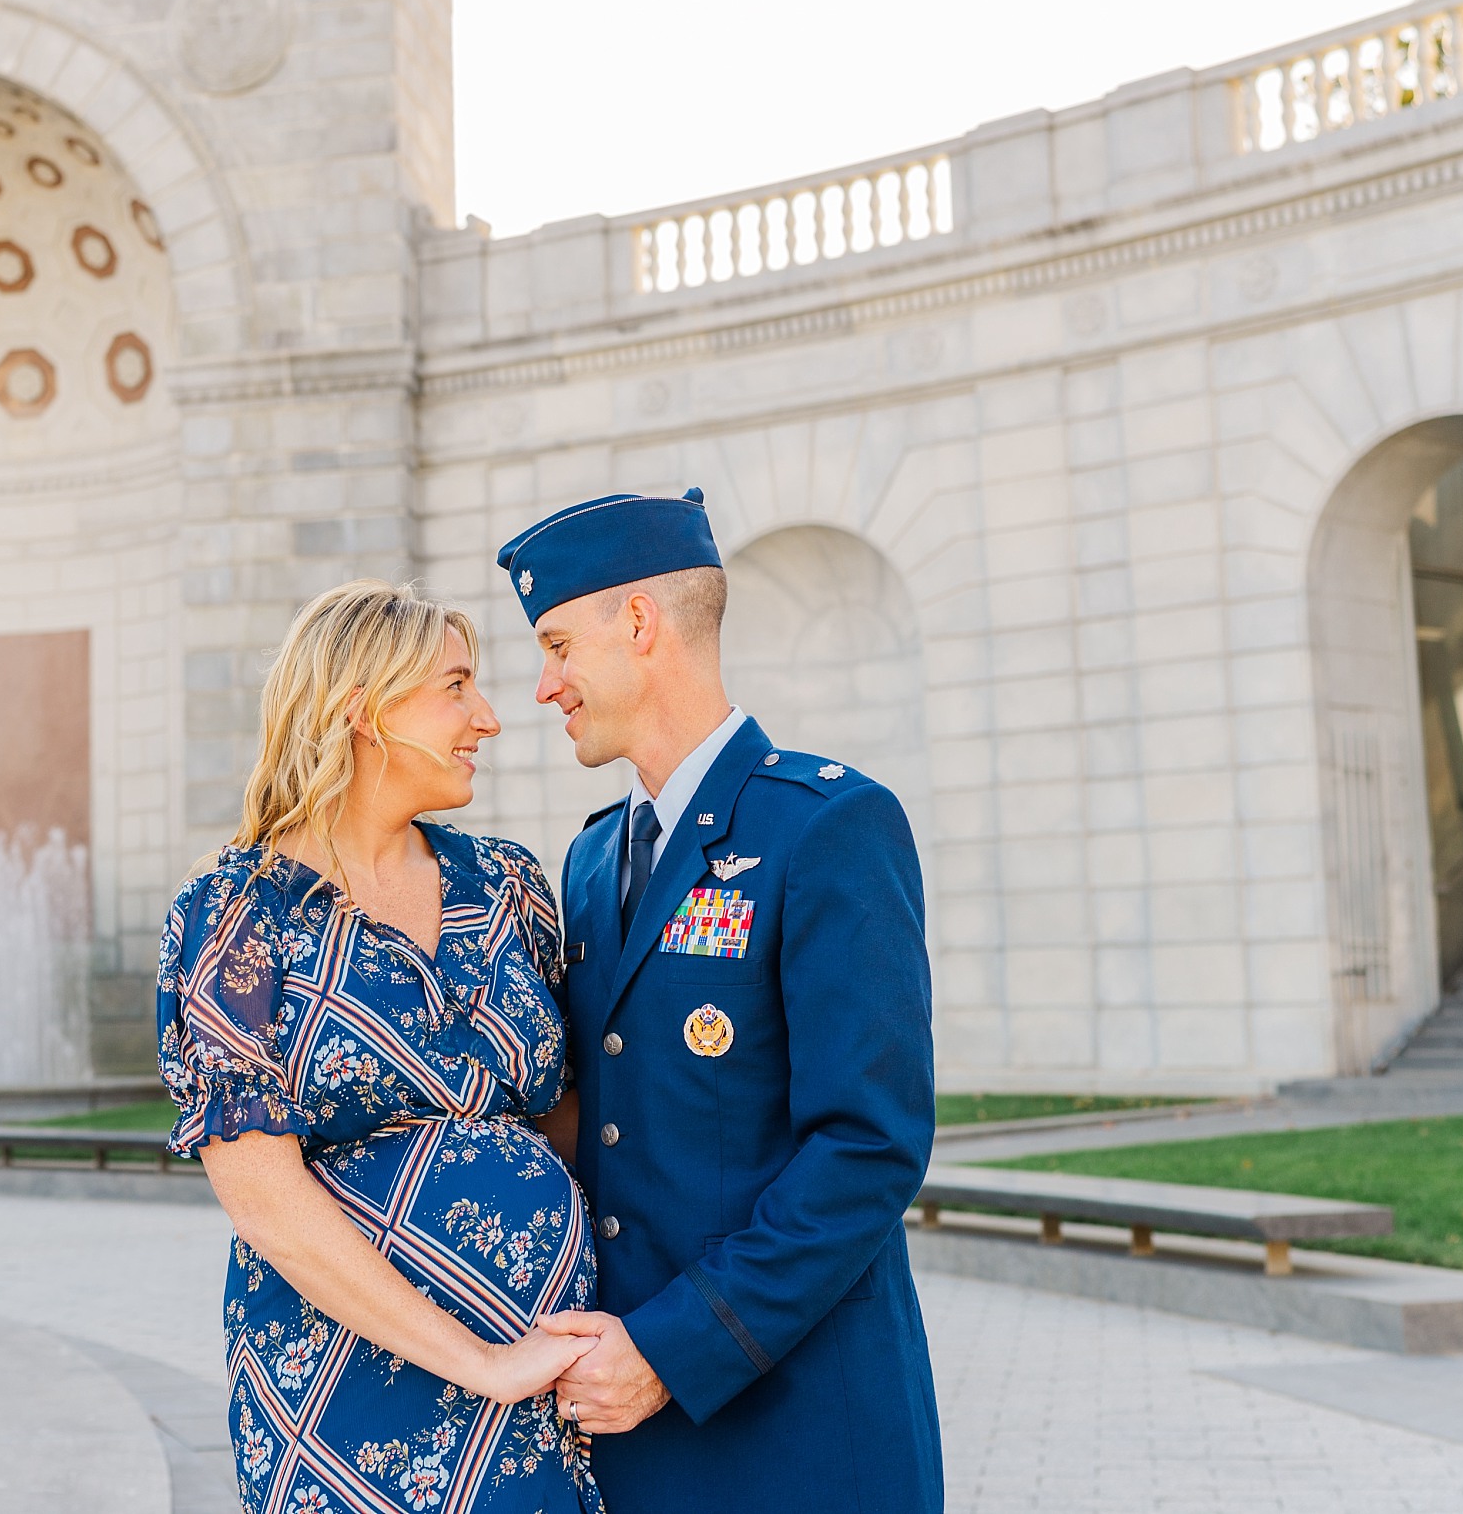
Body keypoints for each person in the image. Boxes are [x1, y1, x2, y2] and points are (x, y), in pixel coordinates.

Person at [498, 490, 943, 1513]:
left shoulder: (827, 824)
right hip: (634, 1428)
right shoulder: (592, 857)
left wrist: (670, 1349)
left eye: (558, 646)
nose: (544, 684)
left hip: (800, 1427)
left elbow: (868, 1146)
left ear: (639, 623)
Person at [157, 580, 603, 1514]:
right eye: (457, 687)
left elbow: (570, 1118)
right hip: (344, 1391)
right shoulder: (237, 915)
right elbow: (264, 1198)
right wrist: (483, 1363)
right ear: (363, 709)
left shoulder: (507, 884)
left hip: (542, 1379)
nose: (488, 717)